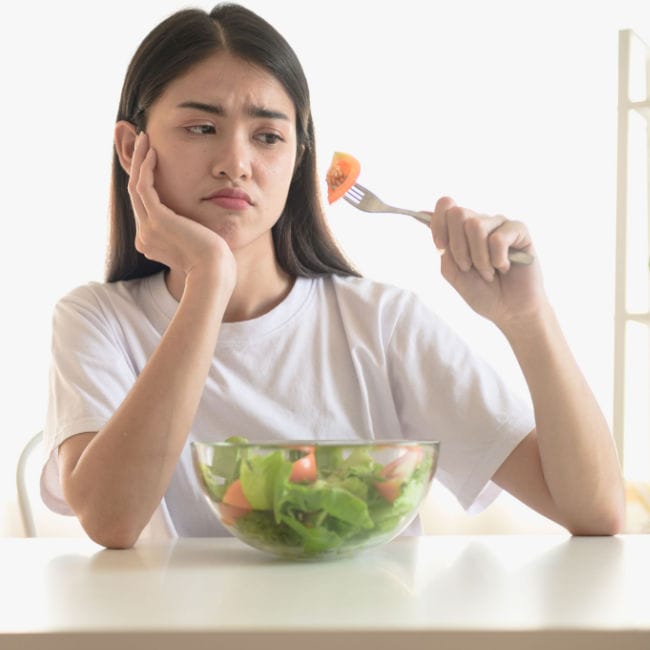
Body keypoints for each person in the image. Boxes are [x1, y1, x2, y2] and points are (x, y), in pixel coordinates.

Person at [41, 2, 625, 549]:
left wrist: (528, 320)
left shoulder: (380, 325)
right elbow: (111, 520)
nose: (236, 162)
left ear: (297, 158)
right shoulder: (97, 320)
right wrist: (208, 282)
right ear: (130, 147)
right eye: (201, 128)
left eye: (268, 136)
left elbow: (594, 512)